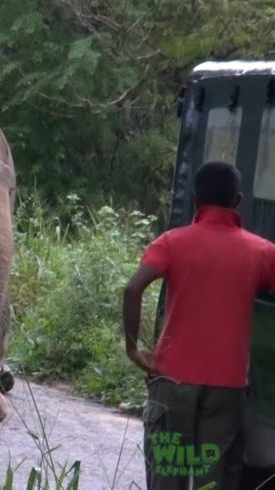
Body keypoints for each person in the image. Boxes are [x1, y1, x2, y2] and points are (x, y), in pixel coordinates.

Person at [122, 161, 275, 490]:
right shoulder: (262, 251)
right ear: (238, 201)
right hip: (228, 386)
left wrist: (133, 348)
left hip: (172, 378)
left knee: (167, 472)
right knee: (216, 478)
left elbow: (133, 288)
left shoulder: (171, 242)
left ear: (195, 199)